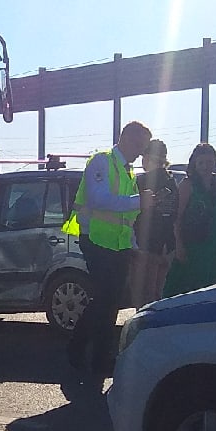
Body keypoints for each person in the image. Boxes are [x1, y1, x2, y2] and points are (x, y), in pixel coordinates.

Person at [61, 120, 147, 396]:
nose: (139, 153)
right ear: (124, 138)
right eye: (137, 145)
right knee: (107, 298)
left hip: (117, 243)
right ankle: (94, 355)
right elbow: (100, 200)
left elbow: (127, 219)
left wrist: (132, 243)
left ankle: (88, 351)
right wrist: (139, 201)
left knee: (109, 300)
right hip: (96, 239)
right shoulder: (102, 162)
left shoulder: (127, 170)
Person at [161, 142, 216, 297]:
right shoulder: (188, 184)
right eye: (201, 162)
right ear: (194, 163)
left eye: (209, 162)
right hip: (193, 245)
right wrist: (179, 245)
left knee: (213, 285)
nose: (205, 166)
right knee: (185, 285)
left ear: (215, 161)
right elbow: (177, 218)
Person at [130, 137, 178, 308]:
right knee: (158, 295)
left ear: (148, 157)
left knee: (143, 297)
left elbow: (132, 211)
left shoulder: (142, 181)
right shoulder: (171, 181)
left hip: (145, 245)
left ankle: (144, 332)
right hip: (167, 246)